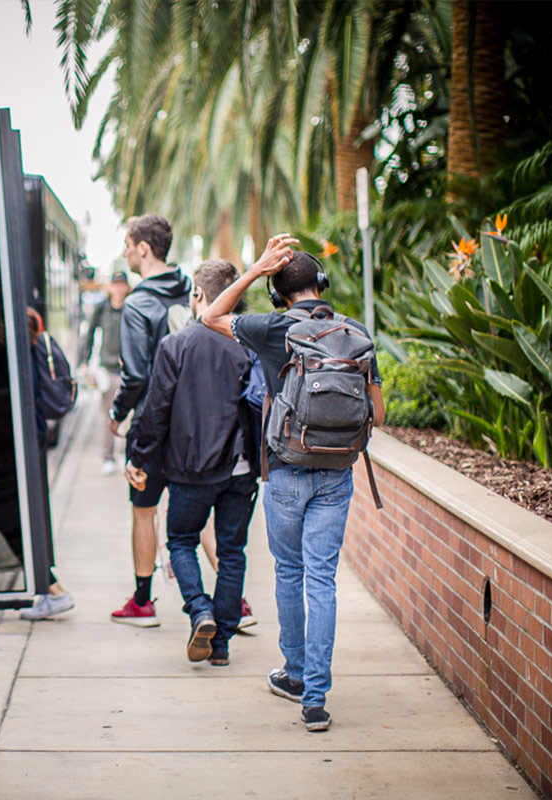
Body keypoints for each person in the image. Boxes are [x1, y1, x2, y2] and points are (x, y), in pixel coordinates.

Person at [203, 237, 386, 733]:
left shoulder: (272, 326)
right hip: (336, 473)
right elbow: (380, 414)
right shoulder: (354, 331)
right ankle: (317, 700)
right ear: (320, 285)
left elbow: (210, 316)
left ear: (276, 293)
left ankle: (296, 675)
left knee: (289, 571)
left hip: (284, 468)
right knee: (322, 578)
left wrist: (255, 269)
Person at [125, 260, 257, 665]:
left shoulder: (176, 345)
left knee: (181, 540)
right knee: (232, 552)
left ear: (199, 294)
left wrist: (140, 457)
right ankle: (221, 647)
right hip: (240, 468)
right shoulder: (250, 345)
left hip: (190, 467)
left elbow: (156, 410)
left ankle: (199, 610)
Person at [107, 215, 191, 626]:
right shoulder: (193, 291)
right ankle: (237, 601)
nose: (125, 252)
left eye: (128, 243)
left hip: (153, 424)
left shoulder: (138, 303)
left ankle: (143, 602)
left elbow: (136, 375)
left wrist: (117, 412)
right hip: (197, 420)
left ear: (144, 248)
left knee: (144, 509)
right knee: (199, 509)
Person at [20, 307, 76, 620]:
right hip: (37, 438)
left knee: (21, 518)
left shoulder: (23, 351)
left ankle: (52, 589)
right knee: (34, 514)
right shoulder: (36, 343)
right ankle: (47, 589)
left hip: (29, 439)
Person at [79, 271, 132, 474]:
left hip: (128, 371)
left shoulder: (132, 308)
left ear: (127, 287)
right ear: (110, 287)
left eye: (122, 284)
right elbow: (89, 334)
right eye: (115, 284)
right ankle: (107, 456)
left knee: (127, 417)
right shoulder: (102, 309)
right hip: (107, 370)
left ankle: (123, 454)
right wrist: (84, 361)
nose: (118, 288)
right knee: (108, 416)